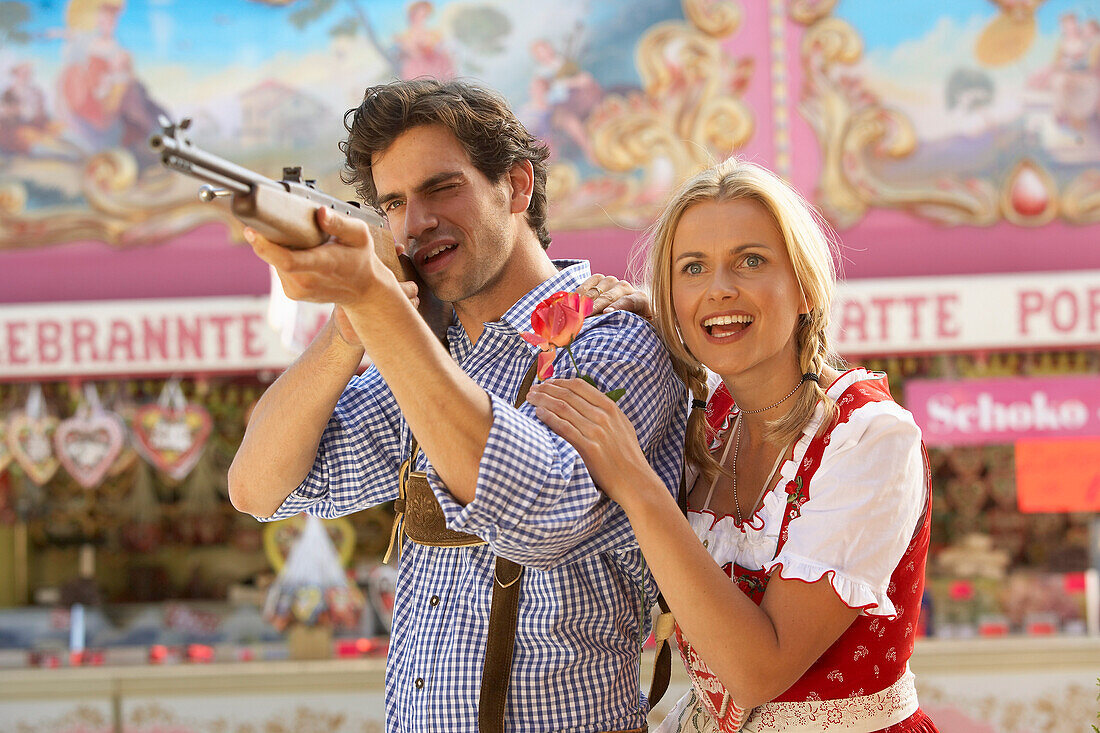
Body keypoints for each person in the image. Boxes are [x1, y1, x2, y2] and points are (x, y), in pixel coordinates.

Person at [228, 79, 687, 733]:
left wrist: (379, 304)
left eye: (442, 187)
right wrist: (348, 328)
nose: (416, 223)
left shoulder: (613, 334)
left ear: (518, 186)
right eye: (393, 203)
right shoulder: (431, 356)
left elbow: (538, 514)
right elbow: (259, 485)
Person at [527, 158, 939, 733]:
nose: (720, 289)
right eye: (692, 268)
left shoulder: (868, 438)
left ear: (803, 287)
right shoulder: (713, 416)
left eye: (751, 261)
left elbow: (755, 672)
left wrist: (633, 481)